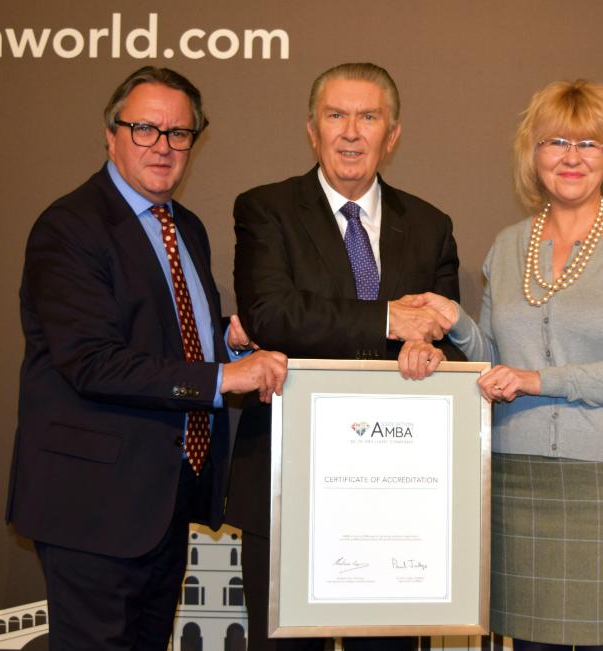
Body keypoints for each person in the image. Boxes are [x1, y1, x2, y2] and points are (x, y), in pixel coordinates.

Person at [6, 66, 288, 651]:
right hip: (92, 506)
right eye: (145, 129)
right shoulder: (69, 227)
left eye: (179, 133)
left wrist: (229, 344)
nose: (162, 145)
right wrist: (223, 376)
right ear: (111, 134)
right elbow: (92, 362)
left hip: (165, 500)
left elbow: (168, 339)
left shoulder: (185, 227)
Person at [409, 80, 603, 650]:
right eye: (556, 141)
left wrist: (542, 380)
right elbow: (496, 364)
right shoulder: (509, 245)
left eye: (590, 144)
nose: (571, 157)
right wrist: (457, 322)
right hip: (517, 478)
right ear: (532, 154)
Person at [226, 62, 463, 651]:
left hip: (398, 497)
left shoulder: (431, 225)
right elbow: (271, 315)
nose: (351, 132)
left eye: (368, 117)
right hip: (287, 484)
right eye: (336, 116)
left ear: (393, 134)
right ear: (313, 130)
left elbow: (446, 334)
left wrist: (428, 346)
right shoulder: (266, 209)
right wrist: (390, 321)